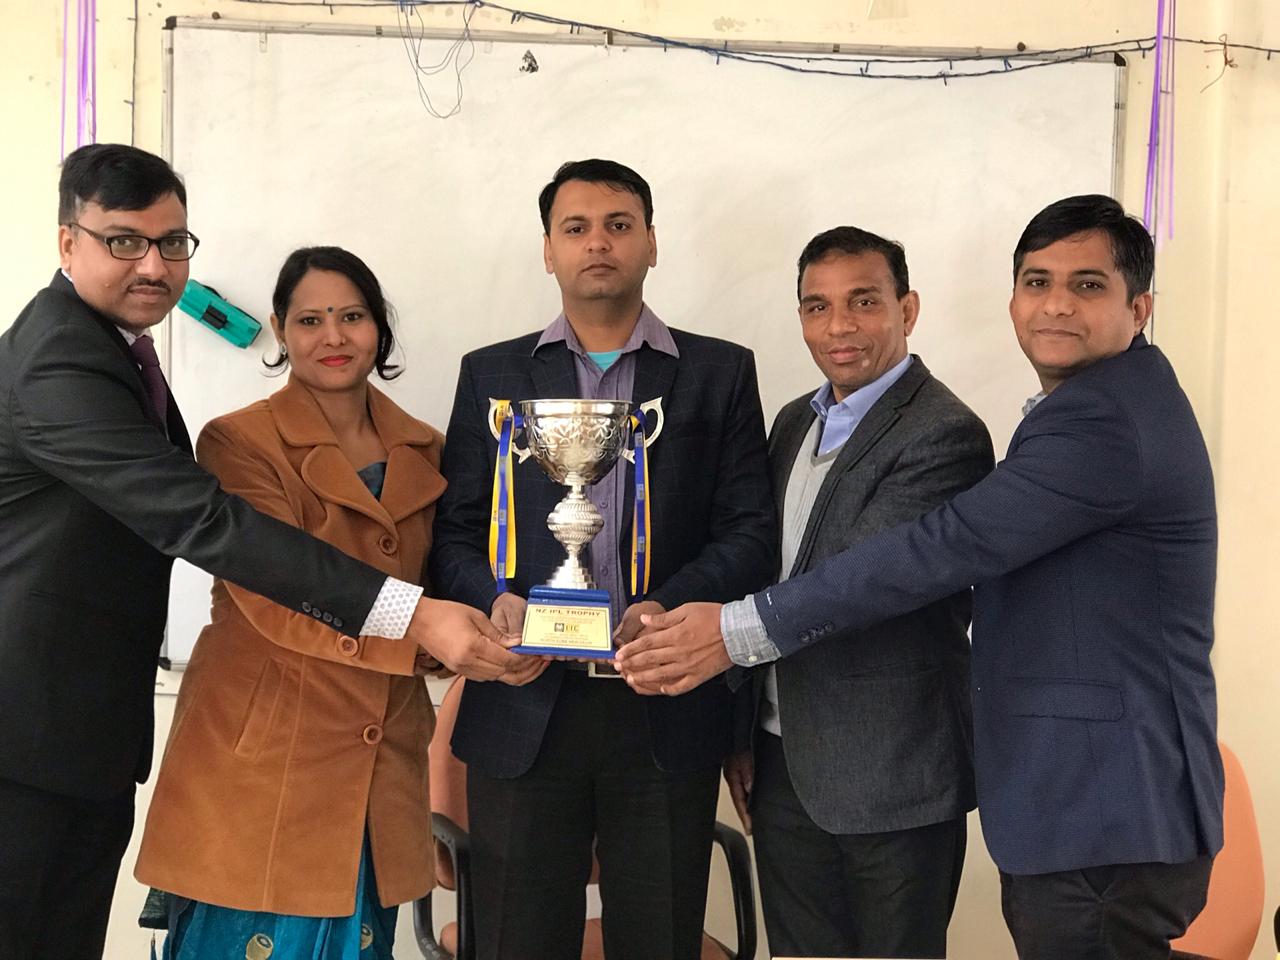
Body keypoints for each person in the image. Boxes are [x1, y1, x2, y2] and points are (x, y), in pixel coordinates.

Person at [618, 194, 1223, 959]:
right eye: (1036, 283)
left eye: (1087, 285)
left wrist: (732, 633)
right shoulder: (803, 422)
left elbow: (932, 550)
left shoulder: (1091, 421)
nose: (1055, 305)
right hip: (1038, 796)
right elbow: (768, 555)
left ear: (1139, 308)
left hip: (1092, 801)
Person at [0, 144, 521, 959]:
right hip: (40, 731)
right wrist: (419, 621)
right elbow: (206, 525)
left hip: (84, 733)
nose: (154, 265)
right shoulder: (63, 359)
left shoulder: (113, 349)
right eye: (124, 241)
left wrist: (491, 619)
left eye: (172, 242)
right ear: (69, 242)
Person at [135, 246, 540, 957]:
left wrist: (493, 626)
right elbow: (276, 595)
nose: (333, 337)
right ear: (279, 329)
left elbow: (446, 576)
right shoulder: (239, 442)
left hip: (381, 764)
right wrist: (427, 638)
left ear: (379, 328)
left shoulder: (428, 447)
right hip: (266, 762)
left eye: (352, 317)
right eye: (310, 320)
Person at [429, 158, 776, 960]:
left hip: (662, 699)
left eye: (619, 226)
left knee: (659, 939)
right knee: (517, 942)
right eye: (576, 228)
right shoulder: (493, 373)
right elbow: (454, 531)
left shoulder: (719, 372)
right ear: (548, 250)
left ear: (651, 243)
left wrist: (668, 607)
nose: (598, 243)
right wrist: (494, 599)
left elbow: (750, 533)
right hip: (524, 700)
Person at [725, 226, 992, 959]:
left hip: (894, 773)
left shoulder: (945, 433)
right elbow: (765, 572)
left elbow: (859, 582)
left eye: (864, 301)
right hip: (782, 762)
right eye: (818, 307)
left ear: (908, 309)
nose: (838, 326)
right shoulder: (793, 423)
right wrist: (743, 730)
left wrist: (716, 636)